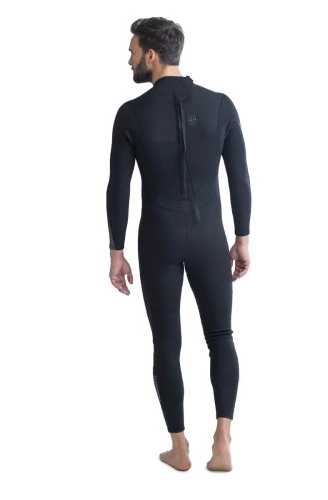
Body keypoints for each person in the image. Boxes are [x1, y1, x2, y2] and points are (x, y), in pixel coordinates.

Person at [106, 17, 251, 472]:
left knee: (166, 343)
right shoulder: (220, 105)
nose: (129, 59)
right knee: (221, 336)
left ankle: (179, 447)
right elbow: (239, 178)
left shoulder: (131, 114)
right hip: (209, 237)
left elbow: (118, 187)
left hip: (158, 239)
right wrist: (242, 238)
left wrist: (116, 251)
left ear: (151, 55)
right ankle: (222, 440)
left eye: (132, 51)